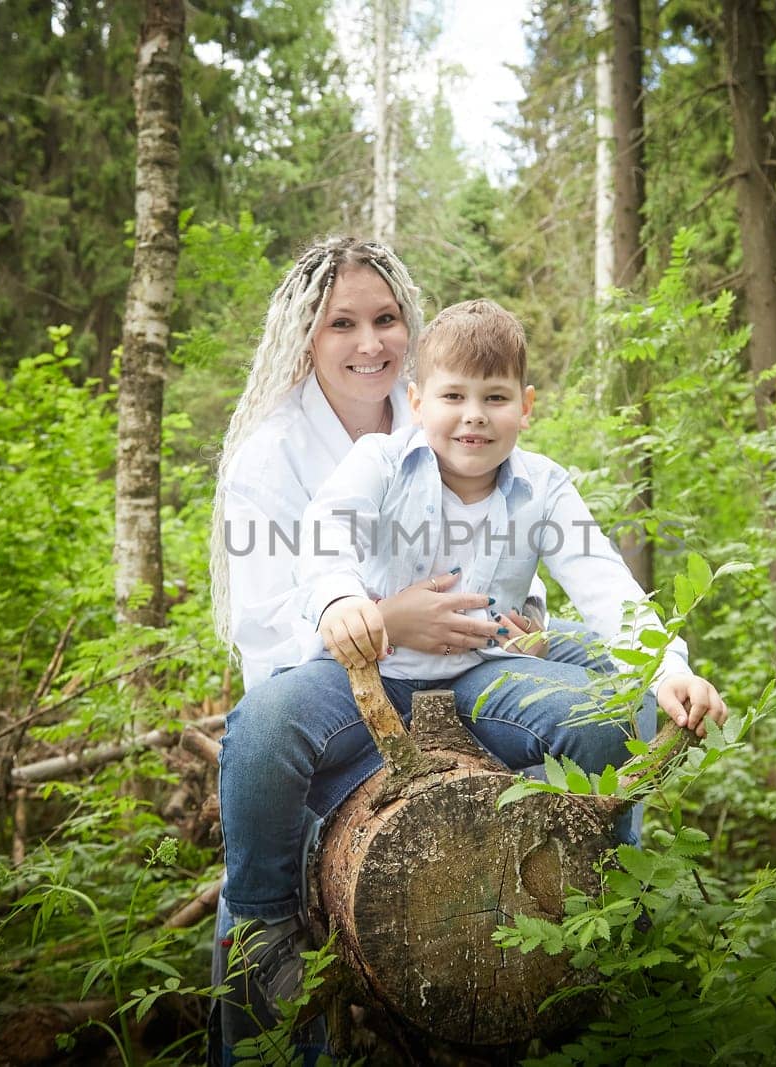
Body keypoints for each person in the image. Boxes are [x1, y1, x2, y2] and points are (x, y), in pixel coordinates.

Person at [213, 293, 727, 1056]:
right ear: (416, 401)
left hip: (486, 672)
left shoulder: (544, 486)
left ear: (526, 406)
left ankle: (609, 906)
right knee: (260, 728)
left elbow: (608, 586)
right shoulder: (383, 460)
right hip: (374, 673)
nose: (472, 417)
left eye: (494, 398)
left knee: (601, 721)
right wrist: (342, 597)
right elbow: (327, 530)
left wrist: (668, 668)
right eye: (452, 396)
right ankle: (265, 921)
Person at [208, 237, 577, 1062]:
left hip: (460, 675)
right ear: (309, 336)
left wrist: (524, 615)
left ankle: (607, 940)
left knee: (588, 693)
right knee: (265, 787)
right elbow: (266, 628)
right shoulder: (271, 455)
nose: (368, 342)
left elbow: (496, 543)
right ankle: (261, 969)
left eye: (385, 319)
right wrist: (387, 621)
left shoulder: (436, 412)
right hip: (332, 696)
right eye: (343, 323)